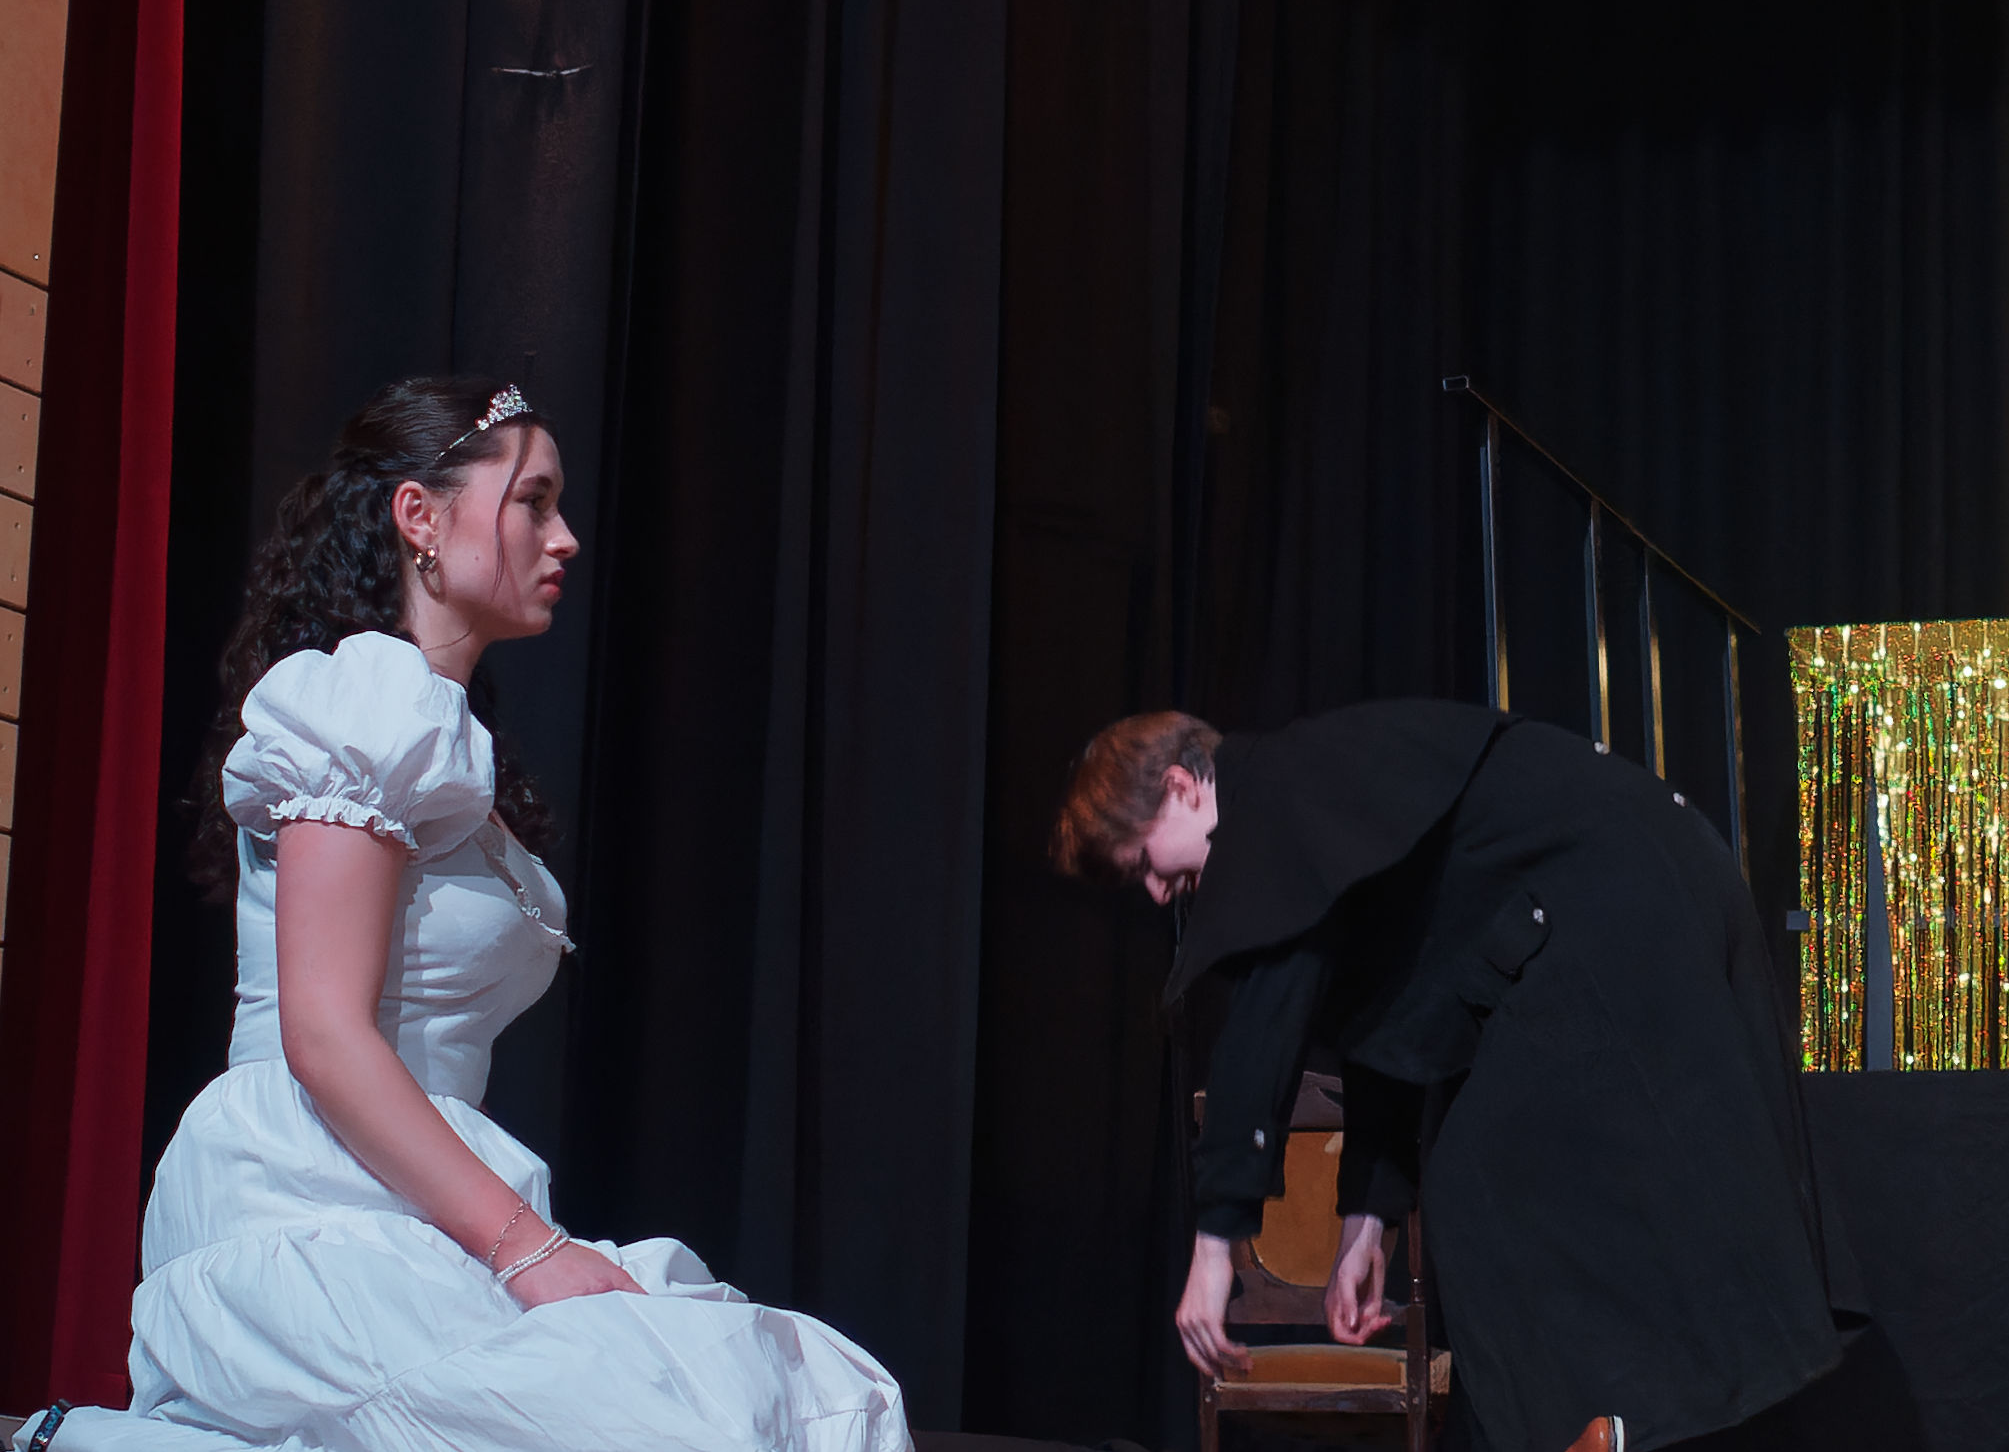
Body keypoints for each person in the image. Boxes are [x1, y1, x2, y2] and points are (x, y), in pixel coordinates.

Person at [21, 378, 908, 1452]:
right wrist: (527, 1249)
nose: (564, 537)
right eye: (533, 501)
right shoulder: (366, 701)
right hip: (308, 1197)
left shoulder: (440, 738)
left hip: (412, 1196)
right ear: (420, 517)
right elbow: (323, 1033)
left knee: (803, 1405)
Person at [1050, 702, 1851, 1452]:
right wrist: (1367, 1220)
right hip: (1614, 890)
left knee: (1494, 1170)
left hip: (1614, 891)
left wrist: (1215, 1246)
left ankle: (1607, 1419)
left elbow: (1265, 1017)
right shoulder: (1307, 813)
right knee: (1471, 1171)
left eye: (1143, 862)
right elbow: (1394, 1017)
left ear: (1181, 786)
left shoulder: (1269, 796)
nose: (1155, 890)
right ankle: (1596, 1421)